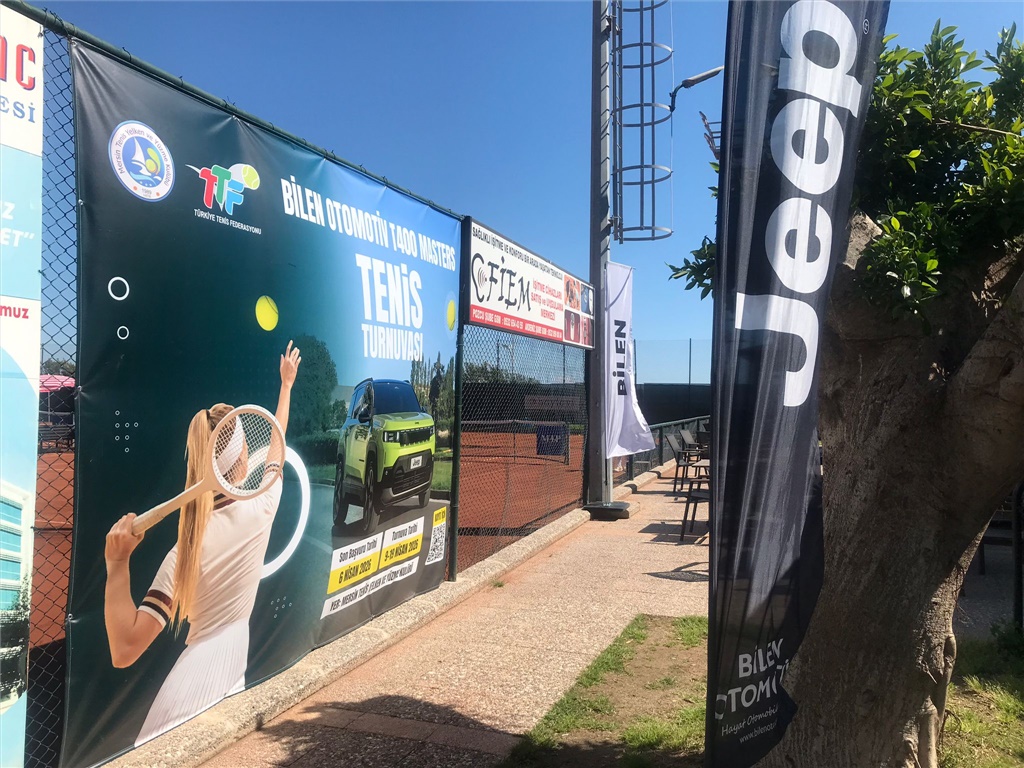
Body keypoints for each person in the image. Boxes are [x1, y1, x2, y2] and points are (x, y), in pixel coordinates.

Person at [103, 341, 301, 746]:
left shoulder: (183, 554)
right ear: (241, 461)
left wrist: (117, 565)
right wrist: (286, 386)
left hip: (196, 683)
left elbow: (124, 649)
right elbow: (277, 443)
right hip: (209, 685)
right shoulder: (264, 505)